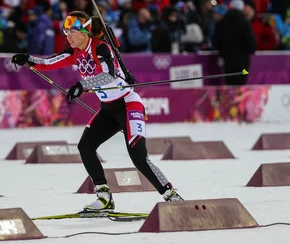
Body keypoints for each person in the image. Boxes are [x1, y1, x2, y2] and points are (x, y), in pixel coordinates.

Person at [11, 11, 183, 212]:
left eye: (72, 32)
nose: (69, 37)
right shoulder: (75, 52)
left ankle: (171, 195)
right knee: (85, 146)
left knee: (138, 156)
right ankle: (104, 198)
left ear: (85, 32)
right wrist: (27, 59)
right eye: (66, 33)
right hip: (108, 110)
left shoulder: (101, 48)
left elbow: (108, 76)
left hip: (128, 105)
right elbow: (49, 62)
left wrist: (82, 85)